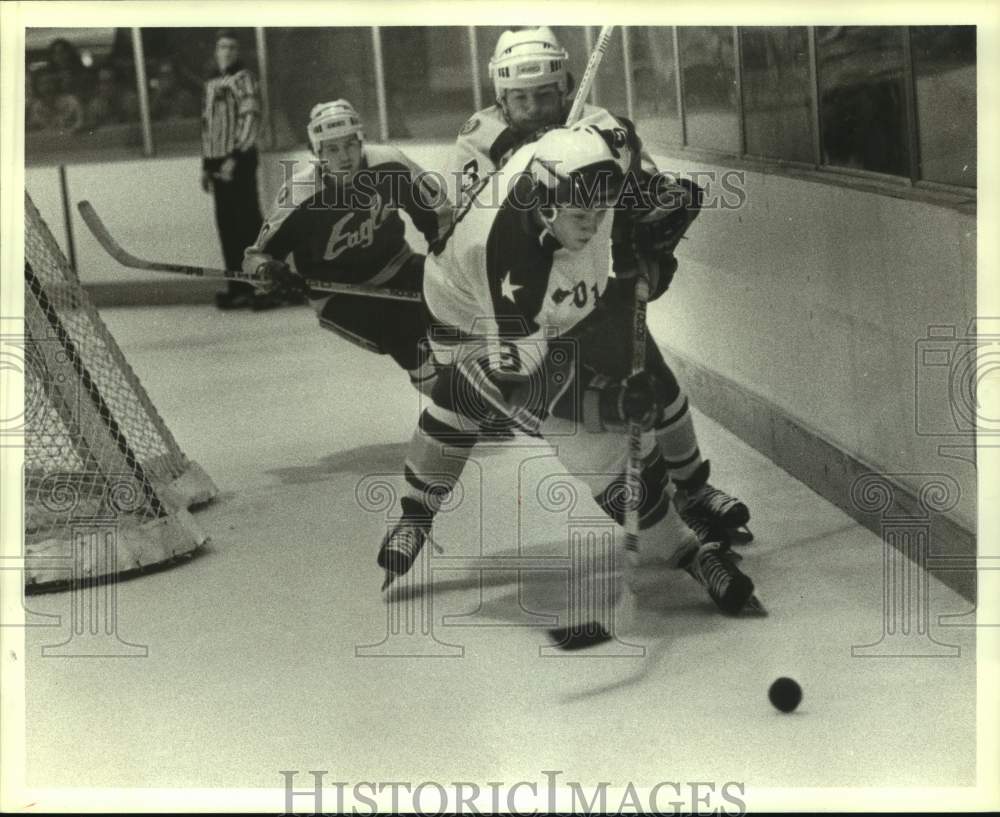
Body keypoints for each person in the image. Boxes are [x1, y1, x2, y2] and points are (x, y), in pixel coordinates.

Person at [377, 126, 757, 616]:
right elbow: (524, 389)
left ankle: (415, 512)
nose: (595, 225)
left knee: (641, 390)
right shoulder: (508, 265)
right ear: (545, 204)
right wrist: (608, 404)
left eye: (604, 209)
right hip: (470, 324)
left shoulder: (581, 182)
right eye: (583, 213)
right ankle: (685, 547)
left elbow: (617, 142)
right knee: (591, 444)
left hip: (560, 307)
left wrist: (657, 219)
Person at [449, 26, 751, 543]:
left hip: (598, 283)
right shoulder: (476, 142)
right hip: (527, 304)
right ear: (500, 96)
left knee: (653, 383)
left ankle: (695, 490)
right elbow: (478, 227)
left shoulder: (603, 128)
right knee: (593, 419)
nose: (533, 107)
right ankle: (661, 515)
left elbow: (649, 195)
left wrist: (654, 239)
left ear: (565, 86)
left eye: (544, 94)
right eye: (519, 97)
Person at [242, 100, 450, 393]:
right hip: (338, 295)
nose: (344, 158)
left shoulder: (390, 165)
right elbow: (254, 258)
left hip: (397, 266)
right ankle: (452, 409)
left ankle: (475, 389)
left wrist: (447, 261)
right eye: (332, 149)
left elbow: (440, 217)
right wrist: (268, 271)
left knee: (456, 306)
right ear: (316, 153)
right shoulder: (300, 195)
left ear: (361, 142)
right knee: (404, 334)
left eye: (350, 145)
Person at [200, 29, 275, 310]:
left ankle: (263, 288)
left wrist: (235, 157)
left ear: (238, 51)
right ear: (215, 50)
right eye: (222, 46)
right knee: (227, 228)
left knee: (248, 225)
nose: (227, 51)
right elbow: (209, 127)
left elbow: (250, 118)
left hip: (239, 161)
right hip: (219, 163)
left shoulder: (243, 79)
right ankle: (238, 287)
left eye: (232, 47)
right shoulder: (211, 83)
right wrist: (206, 166)